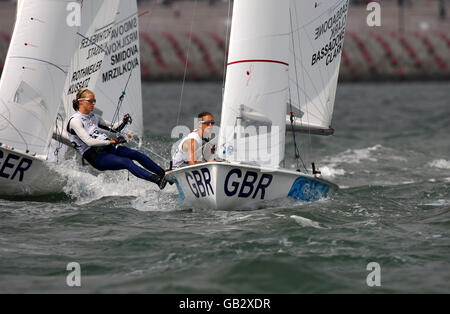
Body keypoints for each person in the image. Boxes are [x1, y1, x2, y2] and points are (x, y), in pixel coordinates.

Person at [67, 88, 169, 189]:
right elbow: (89, 142)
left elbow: (114, 128)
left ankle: (164, 174)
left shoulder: (94, 117)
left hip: (109, 149)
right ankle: (157, 180)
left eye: (94, 101)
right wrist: (113, 141)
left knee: (136, 154)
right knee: (127, 162)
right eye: (90, 101)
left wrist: (124, 121)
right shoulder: (75, 121)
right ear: (81, 102)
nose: (93, 103)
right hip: (96, 157)